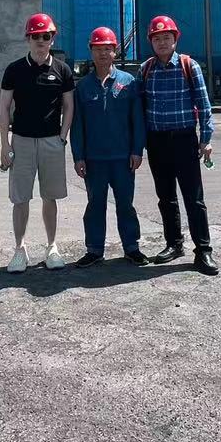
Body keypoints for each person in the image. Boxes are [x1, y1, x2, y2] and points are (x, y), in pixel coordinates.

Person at [140, 15, 218, 275]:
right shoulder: (146, 69)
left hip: (184, 140)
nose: (162, 42)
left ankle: (203, 250)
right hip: (156, 141)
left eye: (167, 37)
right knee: (166, 197)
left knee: (194, 199)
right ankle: (174, 244)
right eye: (157, 38)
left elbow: (204, 105)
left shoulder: (188, 66)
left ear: (175, 39)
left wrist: (205, 139)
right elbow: (140, 109)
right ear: (151, 42)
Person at [0, 12, 75, 272]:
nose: (40, 40)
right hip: (21, 141)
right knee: (20, 198)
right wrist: (5, 144)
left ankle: (51, 247)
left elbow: (69, 105)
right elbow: (4, 106)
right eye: (35, 36)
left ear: (52, 38)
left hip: (52, 141)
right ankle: (20, 250)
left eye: (45, 36)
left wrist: (62, 136)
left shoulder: (62, 70)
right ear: (27, 39)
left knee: (50, 197)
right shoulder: (15, 70)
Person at [68, 26, 148, 267]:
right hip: (94, 160)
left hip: (123, 159)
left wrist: (137, 150)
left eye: (108, 49)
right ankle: (94, 250)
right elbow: (77, 125)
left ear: (115, 52)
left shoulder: (128, 82)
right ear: (91, 51)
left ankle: (131, 247)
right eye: (98, 49)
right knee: (95, 205)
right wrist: (78, 156)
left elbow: (137, 120)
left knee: (125, 204)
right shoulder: (83, 87)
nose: (103, 54)